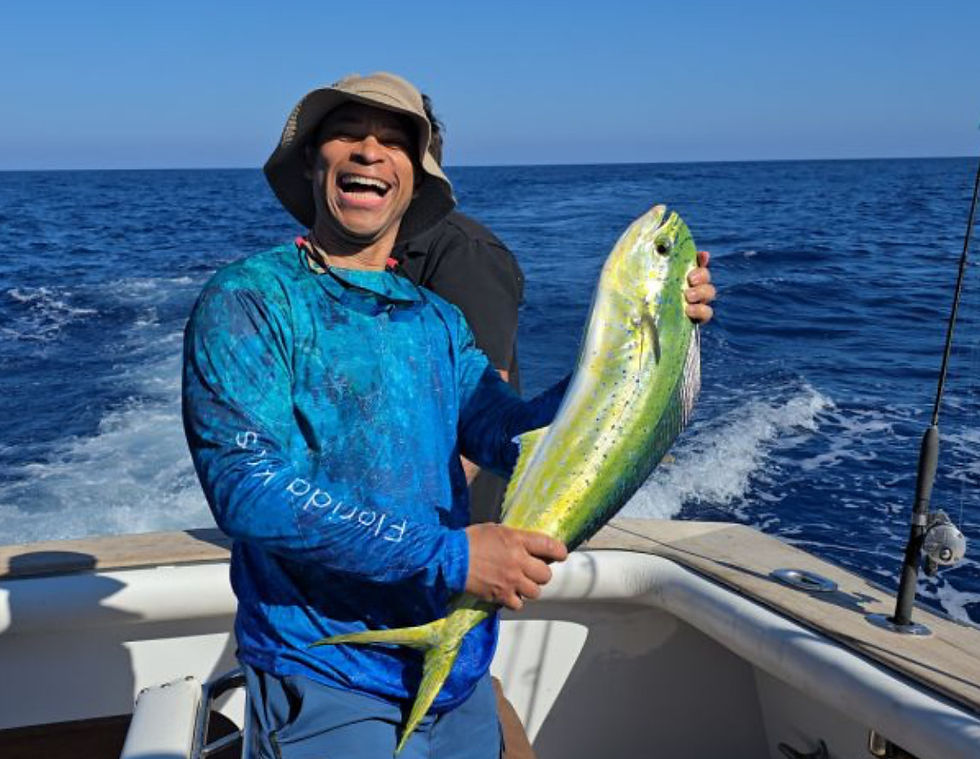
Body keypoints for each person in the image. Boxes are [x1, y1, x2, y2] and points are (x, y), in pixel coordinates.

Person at [182, 72, 716, 758]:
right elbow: (246, 488)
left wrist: (649, 353)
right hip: (326, 673)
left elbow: (512, 433)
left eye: (394, 140)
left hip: (456, 673)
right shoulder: (249, 299)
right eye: (348, 133)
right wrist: (454, 555)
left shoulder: (436, 319)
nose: (371, 151)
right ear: (315, 163)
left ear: (415, 174)